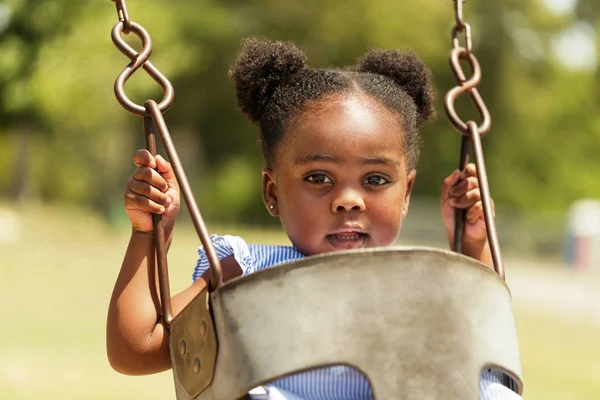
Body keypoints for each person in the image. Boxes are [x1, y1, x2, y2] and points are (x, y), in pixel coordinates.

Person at [107, 37, 521, 400]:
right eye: (318, 178)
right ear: (273, 192)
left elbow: (482, 359)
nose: (347, 200)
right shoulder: (242, 272)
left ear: (406, 193)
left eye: (375, 179)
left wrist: (472, 246)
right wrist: (150, 234)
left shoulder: (426, 281)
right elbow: (138, 348)